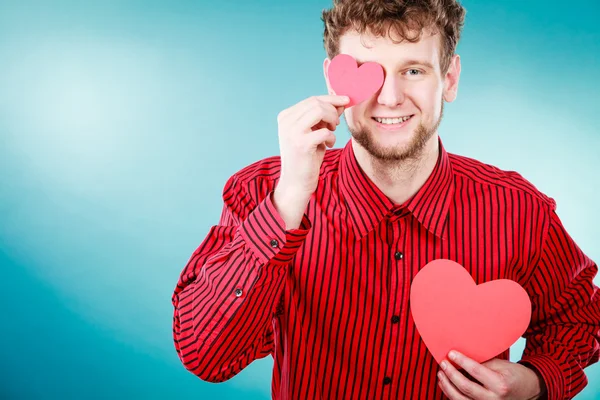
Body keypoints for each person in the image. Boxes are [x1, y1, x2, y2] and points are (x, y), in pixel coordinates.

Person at [171, 0, 600, 399]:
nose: (389, 98)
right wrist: (287, 202)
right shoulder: (263, 191)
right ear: (332, 80)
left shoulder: (519, 210)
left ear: (449, 79)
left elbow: (580, 320)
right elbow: (206, 356)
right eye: (366, 71)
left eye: (413, 71)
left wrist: (535, 382)